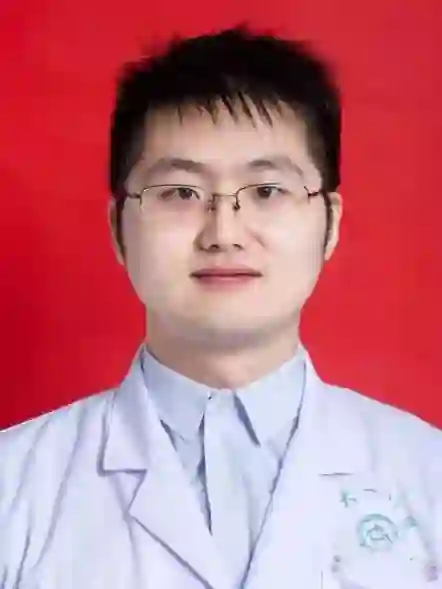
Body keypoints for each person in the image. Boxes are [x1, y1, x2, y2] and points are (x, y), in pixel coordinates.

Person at [0, 26, 441, 589]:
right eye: (180, 193)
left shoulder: (428, 475)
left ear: (329, 224)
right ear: (118, 230)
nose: (223, 233)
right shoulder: (14, 488)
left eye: (266, 191)